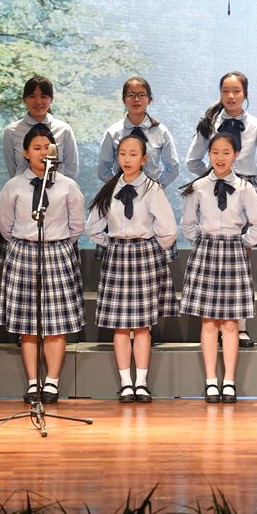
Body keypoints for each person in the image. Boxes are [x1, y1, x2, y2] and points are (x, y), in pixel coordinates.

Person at [186, 71, 257, 348]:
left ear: (245, 94)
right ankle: (213, 325)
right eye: (225, 90)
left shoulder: (256, 125)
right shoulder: (209, 123)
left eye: (236, 91)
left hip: (242, 189)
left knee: (240, 261)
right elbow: (192, 160)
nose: (231, 96)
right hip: (214, 188)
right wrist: (212, 178)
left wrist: (249, 180)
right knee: (213, 266)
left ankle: (239, 327)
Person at [0, 124, 85, 404]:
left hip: (57, 252)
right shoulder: (14, 186)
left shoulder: (67, 185)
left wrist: (57, 244)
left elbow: (77, 225)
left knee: (56, 324)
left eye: (47, 147)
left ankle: (52, 382)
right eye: (36, 148)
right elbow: (6, 226)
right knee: (28, 324)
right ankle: (33, 382)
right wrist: (25, 243)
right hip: (23, 252)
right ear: (25, 153)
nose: (42, 152)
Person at [179, 132, 257, 403]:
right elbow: (187, 223)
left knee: (230, 323)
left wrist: (244, 242)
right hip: (206, 251)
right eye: (215, 152)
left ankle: (229, 381)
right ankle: (211, 381)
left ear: (236, 155)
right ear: (209, 154)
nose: (220, 158)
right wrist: (201, 242)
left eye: (226, 152)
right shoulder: (198, 187)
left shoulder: (244, 187)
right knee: (208, 322)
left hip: (233, 250)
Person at [87, 135, 178, 403]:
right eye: (123, 154)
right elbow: (92, 227)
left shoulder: (152, 189)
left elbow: (168, 230)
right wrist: (113, 243)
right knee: (119, 326)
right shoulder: (110, 188)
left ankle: (141, 383)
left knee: (141, 326)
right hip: (118, 256)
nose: (127, 159)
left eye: (133, 154)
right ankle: (126, 383)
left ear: (144, 159)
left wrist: (150, 248)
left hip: (144, 255)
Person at [0, 75, 78, 265]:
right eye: (32, 96)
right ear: (24, 99)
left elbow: (71, 169)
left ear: (51, 99)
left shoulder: (64, 129)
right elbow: (13, 169)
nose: (38, 101)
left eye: (44, 96)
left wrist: (57, 190)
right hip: (23, 203)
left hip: (57, 204)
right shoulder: (12, 131)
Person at [97, 76, 180, 188]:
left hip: (151, 194)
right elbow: (103, 170)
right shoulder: (112, 132)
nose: (136, 99)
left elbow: (173, 167)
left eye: (141, 95)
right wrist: (119, 187)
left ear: (149, 100)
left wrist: (156, 187)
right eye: (131, 95)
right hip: (120, 193)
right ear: (124, 100)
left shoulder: (161, 131)